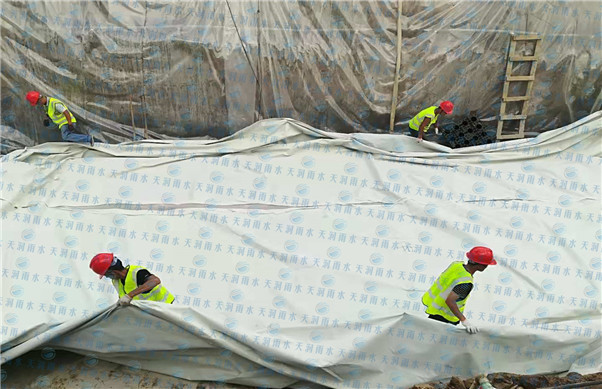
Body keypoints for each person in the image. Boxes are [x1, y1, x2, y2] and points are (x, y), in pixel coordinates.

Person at [422, 246, 496, 334]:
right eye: (486, 264)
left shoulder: (456, 265)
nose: (487, 266)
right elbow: (450, 301)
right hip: (445, 318)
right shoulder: (465, 283)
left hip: (436, 309)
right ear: (480, 265)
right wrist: (465, 321)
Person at [89, 253, 175, 305]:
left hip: (164, 306)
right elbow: (123, 297)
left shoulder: (137, 273)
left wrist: (129, 295)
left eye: (106, 275)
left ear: (113, 272)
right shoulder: (116, 281)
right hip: (150, 311)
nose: (107, 277)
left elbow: (155, 281)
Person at [26, 91, 96, 146]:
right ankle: (74, 146)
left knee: (65, 136)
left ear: (40, 99)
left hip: (67, 122)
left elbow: (66, 112)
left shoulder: (54, 103)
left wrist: (70, 124)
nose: (39, 104)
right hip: (61, 123)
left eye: (38, 103)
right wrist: (48, 120)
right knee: (68, 137)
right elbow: (51, 114)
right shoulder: (46, 105)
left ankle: (88, 138)